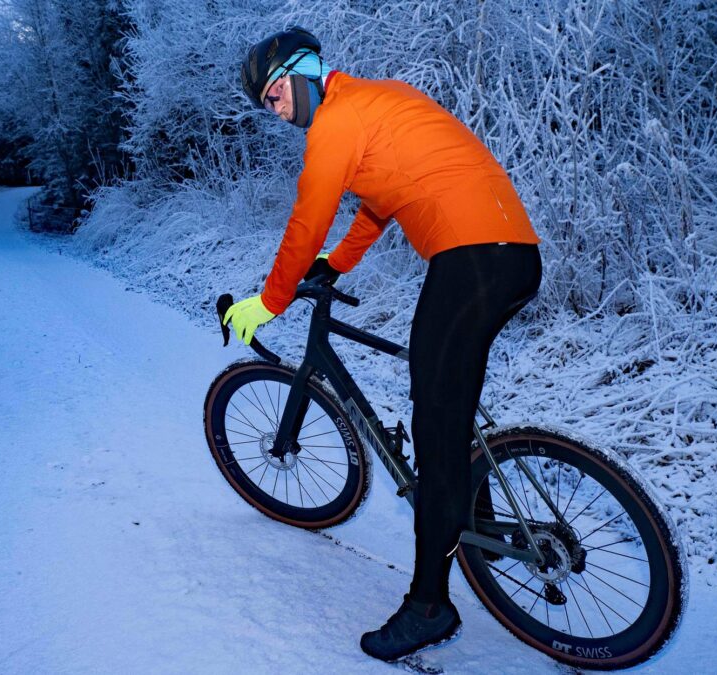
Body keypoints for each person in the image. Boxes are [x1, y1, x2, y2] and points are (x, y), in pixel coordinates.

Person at [225, 27, 542, 662]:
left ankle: (430, 605)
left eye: (279, 92)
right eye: (268, 104)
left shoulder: (335, 124)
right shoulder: (375, 103)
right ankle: (466, 510)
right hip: (508, 254)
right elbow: (379, 204)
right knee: (445, 400)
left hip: (473, 257)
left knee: (435, 430)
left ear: (308, 72)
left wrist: (271, 300)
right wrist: (335, 265)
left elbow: (307, 215)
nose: (277, 109)